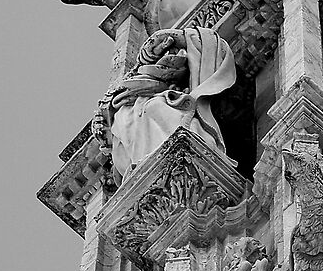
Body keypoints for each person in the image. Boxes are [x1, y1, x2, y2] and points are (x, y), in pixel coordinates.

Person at [96, 25, 237, 181]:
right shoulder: (125, 120)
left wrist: (173, 38)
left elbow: (210, 45)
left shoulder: (153, 99)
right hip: (159, 170)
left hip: (186, 154)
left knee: (154, 107)